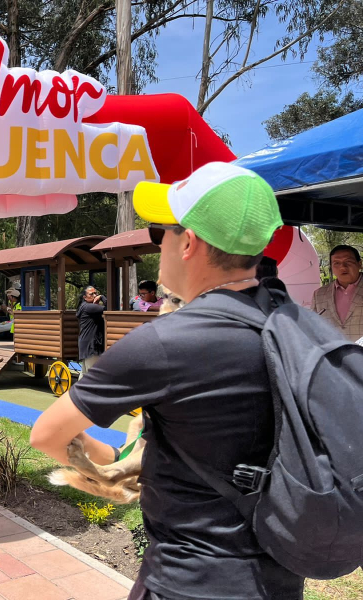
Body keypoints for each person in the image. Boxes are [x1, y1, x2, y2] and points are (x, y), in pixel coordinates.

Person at [30, 162, 305, 600]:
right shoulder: (297, 327)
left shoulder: (163, 343)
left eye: (162, 234)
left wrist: (116, 464)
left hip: (187, 579)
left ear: (189, 243)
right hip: (279, 577)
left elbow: (46, 434)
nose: (158, 246)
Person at [311, 244, 363, 341]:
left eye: (348, 261)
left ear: (359, 264)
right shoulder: (319, 294)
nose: (343, 267)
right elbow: (312, 328)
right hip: (332, 354)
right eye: (336, 263)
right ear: (331, 267)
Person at [76, 286, 105, 375]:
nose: (95, 295)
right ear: (85, 297)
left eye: (95, 293)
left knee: (85, 374)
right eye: (91, 294)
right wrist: (102, 297)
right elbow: (110, 307)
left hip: (86, 343)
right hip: (91, 345)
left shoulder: (84, 306)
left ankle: (77, 389)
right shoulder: (89, 307)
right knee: (92, 375)